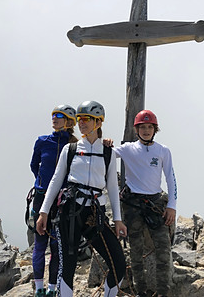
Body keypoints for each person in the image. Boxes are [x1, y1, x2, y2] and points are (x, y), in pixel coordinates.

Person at [36, 101, 127, 297]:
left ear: (98, 122)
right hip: (69, 211)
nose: (81, 123)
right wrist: (43, 212)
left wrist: (118, 220)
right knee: (67, 266)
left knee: (118, 262)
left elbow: (112, 186)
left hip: (95, 213)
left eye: (86, 119)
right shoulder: (70, 149)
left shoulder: (108, 152)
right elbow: (55, 180)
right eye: (79, 119)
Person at [107, 109, 177, 297]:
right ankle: (141, 292)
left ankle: (163, 292)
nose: (146, 130)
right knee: (136, 252)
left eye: (150, 127)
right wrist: (105, 144)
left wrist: (172, 206)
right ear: (136, 129)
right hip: (133, 205)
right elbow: (105, 155)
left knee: (163, 250)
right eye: (142, 127)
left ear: (155, 129)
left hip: (155, 204)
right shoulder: (128, 148)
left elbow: (170, 177)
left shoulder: (163, 151)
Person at [30, 105, 78, 297]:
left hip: (62, 200)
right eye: (53, 115)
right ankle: (39, 289)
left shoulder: (74, 145)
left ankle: (52, 289)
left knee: (57, 246)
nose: (54, 118)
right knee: (40, 243)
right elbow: (34, 165)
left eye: (59, 116)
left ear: (68, 121)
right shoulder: (42, 141)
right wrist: (42, 182)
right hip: (41, 197)